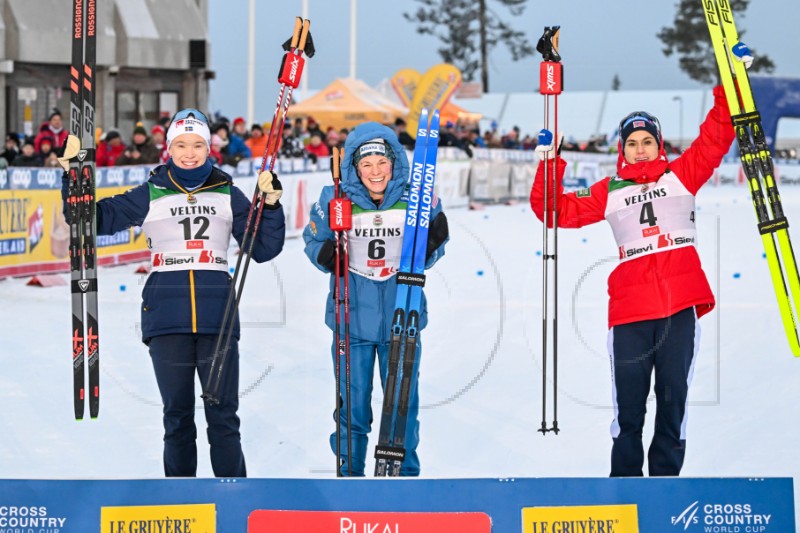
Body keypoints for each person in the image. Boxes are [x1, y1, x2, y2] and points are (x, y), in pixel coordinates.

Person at [61, 108, 286, 477]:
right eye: (181, 144)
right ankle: (182, 504)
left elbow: (262, 249)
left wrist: (271, 207)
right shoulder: (151, 191)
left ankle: (234, 499)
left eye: (197, 144)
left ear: (209, 146)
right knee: (177, 418)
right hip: (166, 320)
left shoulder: (228, 193)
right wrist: (74, 177)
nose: (189, 152)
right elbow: (88, 220)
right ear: (169, 147)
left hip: (219, 319)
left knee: (223, 418)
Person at [530, 85, 734, 477]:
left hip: (679, 309)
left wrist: (729, 85)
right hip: (630, 315)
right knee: (629, 410)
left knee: (674, 402)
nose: (640, 149)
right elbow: (552, 211)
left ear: (660, 146)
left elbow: (717, 136)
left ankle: (665, 484)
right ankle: (624, 483)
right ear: (621, 150)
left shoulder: (683, 175)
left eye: (647, 141)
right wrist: (549, 163)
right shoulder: (609, 191)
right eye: (632, 143)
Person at [303, 122, 449, 476]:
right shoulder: (334, 198)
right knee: (352, 406)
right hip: (351, 318)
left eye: (381, 162)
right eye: (366, 164)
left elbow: (434, 247)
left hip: (403, 316)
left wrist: (432, 243)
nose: (375, 172)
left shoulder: (416, 195)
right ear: (354, 166)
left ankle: (404, 477)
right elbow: (313, 245)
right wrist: (327, 253)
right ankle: (349, 473)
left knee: (402, 406)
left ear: (393, 162)